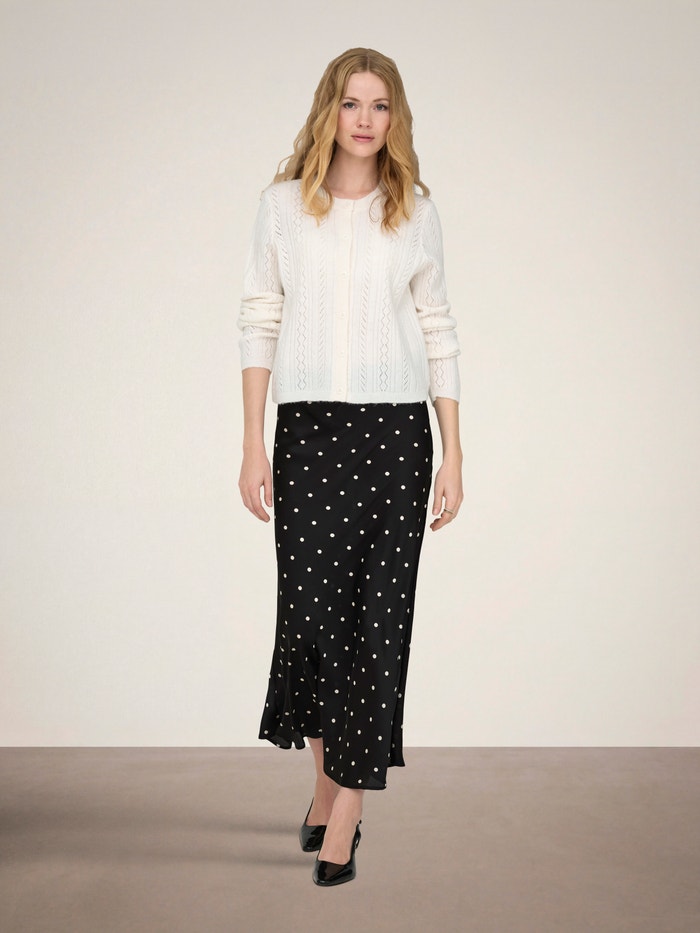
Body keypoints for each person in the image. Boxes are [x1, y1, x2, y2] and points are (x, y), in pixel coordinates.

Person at [237, 47, 462, 887]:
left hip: (397, 438)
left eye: (380, 105)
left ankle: (347, 811)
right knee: (314, 623)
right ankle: (327, 783)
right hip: (308, 435)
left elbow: (438, 328)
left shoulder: (416, 211)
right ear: (328, 110)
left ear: (395, 118)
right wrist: (253, 441)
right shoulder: (281, 207)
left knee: (378, 625)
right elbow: (259, 316)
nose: (365, 119)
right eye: (352, 102)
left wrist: (454, 449)